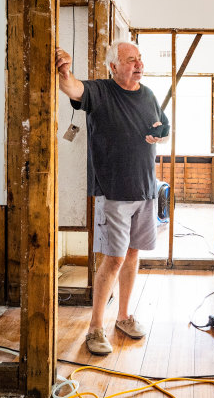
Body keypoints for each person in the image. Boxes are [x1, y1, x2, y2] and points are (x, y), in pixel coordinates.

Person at [55, 40, 170, 355]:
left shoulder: (147, 95)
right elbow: (72, 88)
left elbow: (164, 124)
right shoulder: (100, 92)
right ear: (113, 67)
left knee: (132, 256)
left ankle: (123, 316)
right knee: (114, 258)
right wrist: (64, 69)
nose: (138, 64)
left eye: (140, 59)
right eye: (131, 60)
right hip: (113, 193)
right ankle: (94, 328)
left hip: (145, 189)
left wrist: (161, 132)